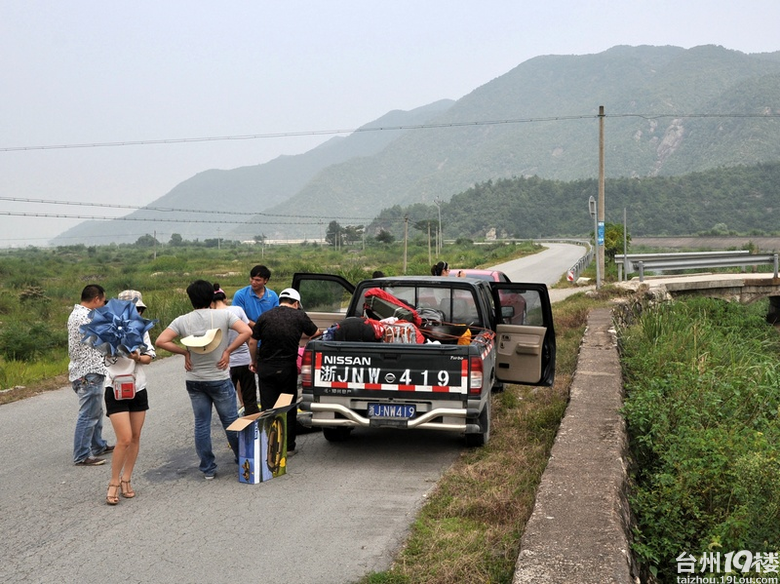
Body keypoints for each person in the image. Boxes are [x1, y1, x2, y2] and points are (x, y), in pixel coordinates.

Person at [155, 280, 252, 479]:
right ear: (211, 297)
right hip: (219, 377)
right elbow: (247, 331)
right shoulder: (224, 315)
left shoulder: (182, 320)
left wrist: (184, 353)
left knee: (201, 424)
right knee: (231, 422)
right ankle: (242, 459)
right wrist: (228, 351)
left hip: (195, 379)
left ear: (191, 299)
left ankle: (208, 469)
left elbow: (161, 341)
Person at [248, 288, 320, 455]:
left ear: (280, 300)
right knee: (288, 406)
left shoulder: (265, 316)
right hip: (287, 368)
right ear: (296, 303)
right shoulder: (299, 315)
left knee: (268, 407)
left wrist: (254, 361)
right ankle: (288, 447)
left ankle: (269, 447)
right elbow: (315, 333)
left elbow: (252, 341)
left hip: (266, 368)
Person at [104, 290, 155, 505]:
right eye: (134, 308)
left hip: (137, 386)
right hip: (114, 386)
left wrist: (137, 356)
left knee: (135, 437)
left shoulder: (142, 329)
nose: (138, 312)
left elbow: (149, 357)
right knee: (123, 438)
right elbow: (102, 354)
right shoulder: (104, 328)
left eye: (139, 309)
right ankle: (113, 482)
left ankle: (127, 479)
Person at [68, 284, 113, 466]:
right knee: (88, 415)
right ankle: (81, 455)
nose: (103, 305)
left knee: (95, 411)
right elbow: (101, 341)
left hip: (81, 370)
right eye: (103, 301)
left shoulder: (76, 314)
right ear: (96, 299)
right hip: (89, 372)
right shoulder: (86, 317)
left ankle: (98, 445)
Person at [212, 283, 259, 415]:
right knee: (250, 397)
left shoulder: (210, 315)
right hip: (244, 360)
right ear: (225, 299)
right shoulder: (237, 310)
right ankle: (253, 426)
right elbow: (249, 331)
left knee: (227, 399)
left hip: (224, 363)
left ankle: (232, 424)